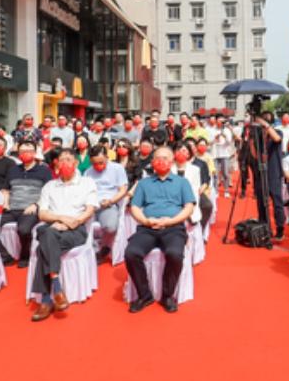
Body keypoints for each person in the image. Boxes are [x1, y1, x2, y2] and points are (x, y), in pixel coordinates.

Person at [124, 146, 196, 314]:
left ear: (172, 162)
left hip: (173, 227)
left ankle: (167, 295)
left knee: (174, 254)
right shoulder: (144, 183)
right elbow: (134, 207)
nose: (161, 161)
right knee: (131, 253)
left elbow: (188, 207)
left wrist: (172, 220)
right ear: (152, 162)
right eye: (157, 158)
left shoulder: (182, 182)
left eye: (165, 158)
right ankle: (144, 295)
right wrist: (145, 220)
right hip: (147, 228)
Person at [30, 150, 99, 322]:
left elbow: (90, 209)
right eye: (61, 160)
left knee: (42, 247)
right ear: (56, 165)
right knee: (48, 232)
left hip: (75, 229)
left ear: (76, 163)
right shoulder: (49, 186)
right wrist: (61, 218)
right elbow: (42, 214)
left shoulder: (86, 183)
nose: (65, 163)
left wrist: (73, 222)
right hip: (53, 225)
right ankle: (57, 289)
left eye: (69, 160)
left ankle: (47, 299)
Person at [0, 140, 52, 267]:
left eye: (28, 151)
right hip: (11, 208)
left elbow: (48, 192)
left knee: (24, 230)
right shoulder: (13, 170)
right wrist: (5, 203)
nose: (25, 154)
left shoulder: (43, 170)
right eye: (22, 151)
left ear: (34, 153)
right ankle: (6, 256)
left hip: (30, 209)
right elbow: (6, 190)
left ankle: (25, 255)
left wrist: (36, 205)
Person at [240, 110, 285, 240]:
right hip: (260, 171)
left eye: (265, 120)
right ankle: (265, 227)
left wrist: (264, 124)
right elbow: (254, 154)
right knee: (261, 201)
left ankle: (280, 228)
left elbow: (277, 138)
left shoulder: (277, 132)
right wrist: (252, 137)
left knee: (276, 201)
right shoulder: (258, 135)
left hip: (273, 171)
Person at [85, 144, 129, 262]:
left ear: (107, 157)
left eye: (101, 162)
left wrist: (111, 201)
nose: (98, 166)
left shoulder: (117, 168)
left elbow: (123, 190)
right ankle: (90, 250)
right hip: (91, 205)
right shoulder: (88, 172)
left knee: (110, 227)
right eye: (95, 163)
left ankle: (105, 247)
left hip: (108, 203)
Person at [210, 116, 236, 199]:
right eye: (219, 121)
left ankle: (226, 190)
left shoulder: (227, 130)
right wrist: (215, 138)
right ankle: (216, 191)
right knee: (215, 174)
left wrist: (225, 136)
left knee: (225, 173)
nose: (220, 123)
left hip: (224, 154)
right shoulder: (212, 130)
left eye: (222, 122)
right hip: (215, 154)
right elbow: (209, 142)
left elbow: (229, 143)